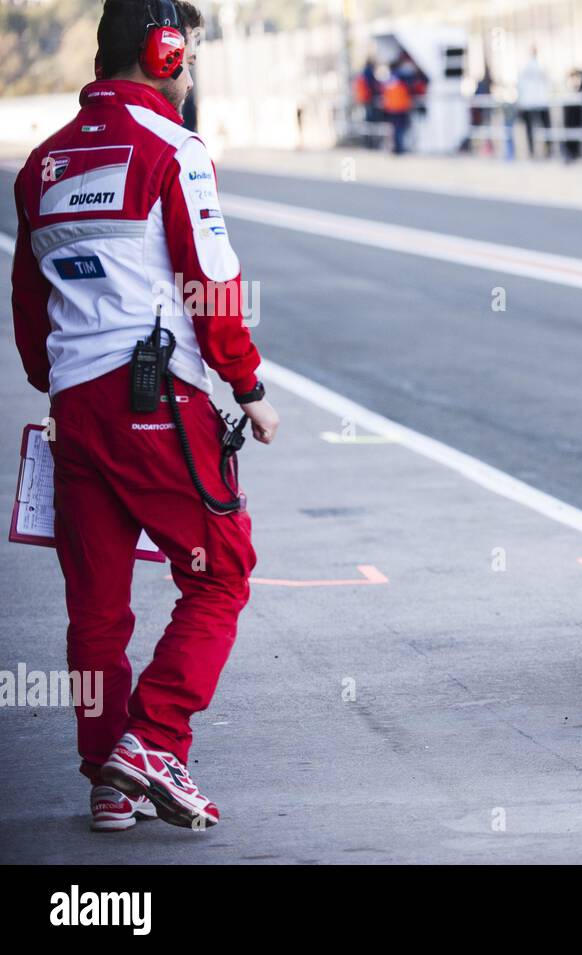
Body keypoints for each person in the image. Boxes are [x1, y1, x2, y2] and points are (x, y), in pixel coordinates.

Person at [10, 0, 277, 831]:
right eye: (188, 54)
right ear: (161, 53)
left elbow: (27, 308)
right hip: (154, 398)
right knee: (222, 571)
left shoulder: (42, 164)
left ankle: (106, 776)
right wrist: (248, 386)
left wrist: (61, 386)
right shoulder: (175, 148)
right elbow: (212, 281)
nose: (190, 71)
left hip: (75, 408)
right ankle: (154, 741)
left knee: (95, 606)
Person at [516, 47, 551, 159]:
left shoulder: (525, 67)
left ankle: (533, 151)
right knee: (544, 127)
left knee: (531, 129)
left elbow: (520, 85)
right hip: (540, 101)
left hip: (529, 102)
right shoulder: (542, 66)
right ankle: (546, 149)